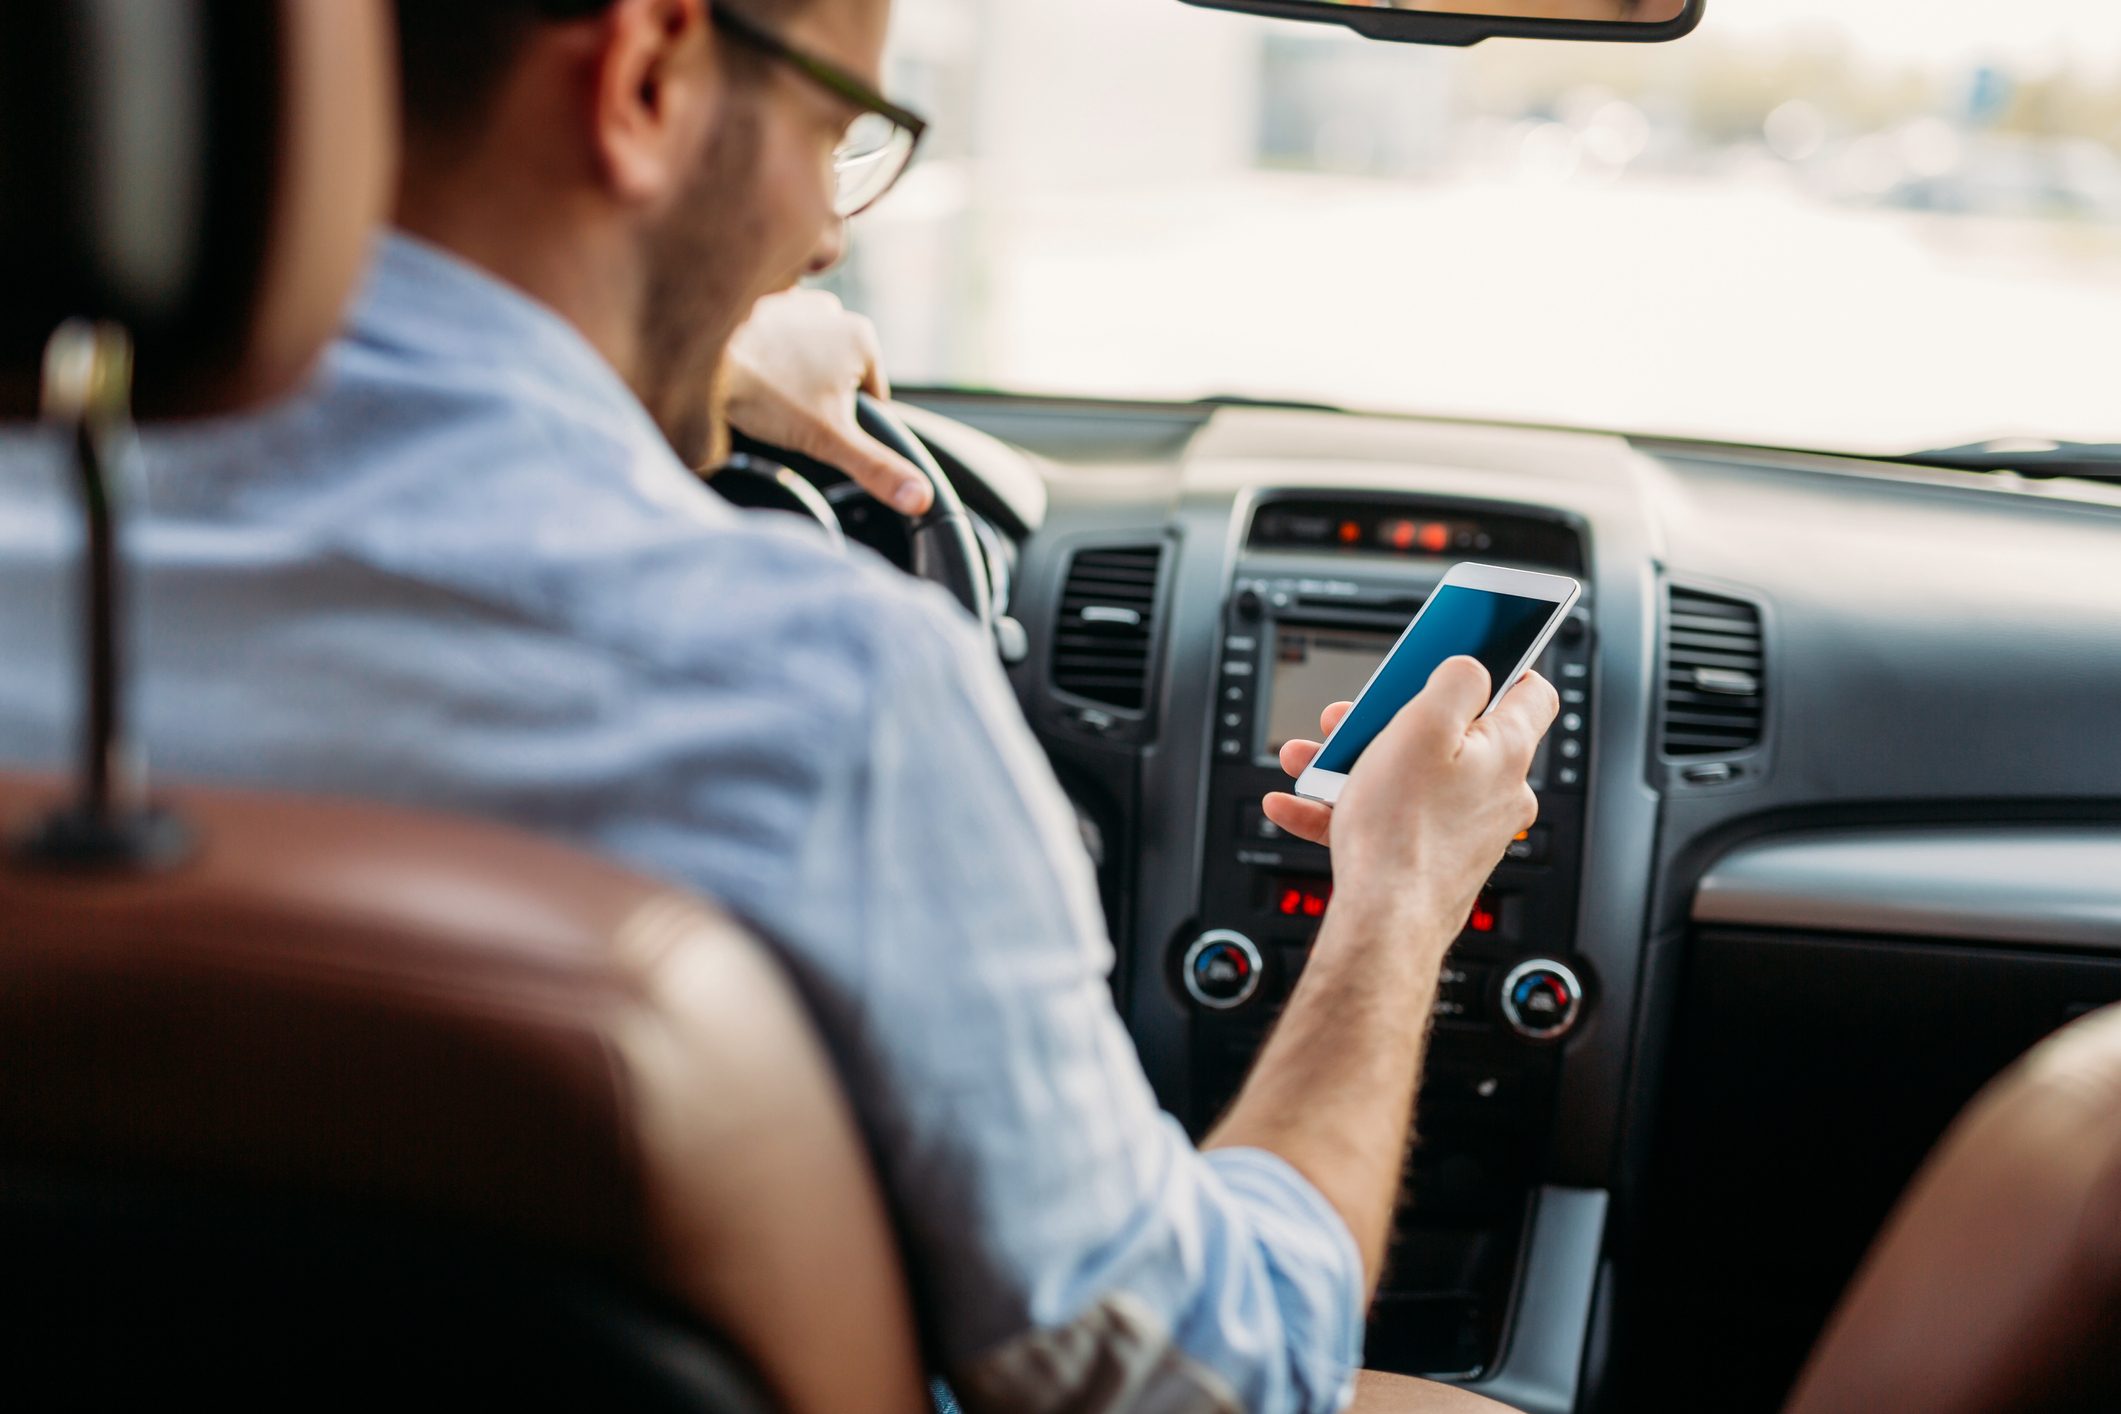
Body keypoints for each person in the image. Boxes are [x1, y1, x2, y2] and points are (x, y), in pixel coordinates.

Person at [0, 1, 1557, 1410]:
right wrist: (1399, 890)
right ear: (646, 74)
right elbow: (1204, 1383)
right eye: (834, 132)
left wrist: (681, 332)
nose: (823, 234)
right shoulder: (820, 691)